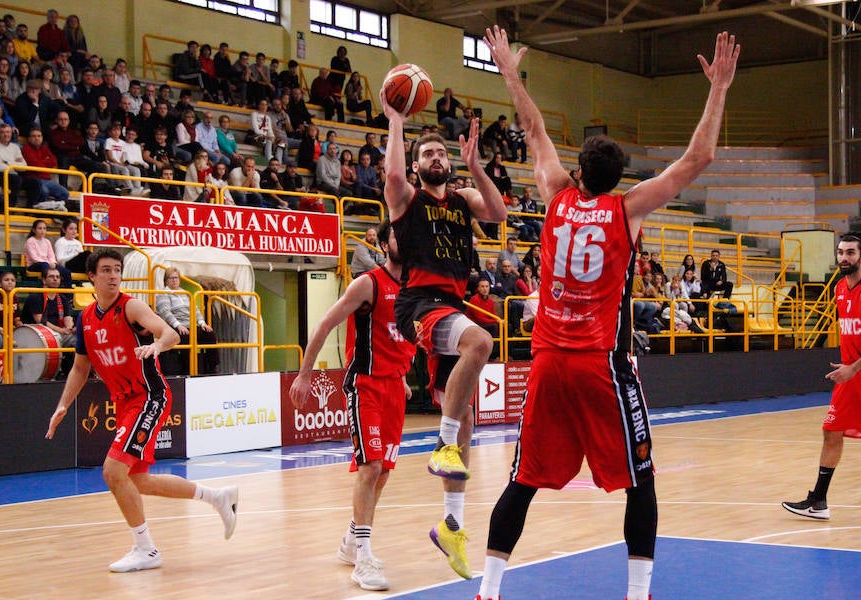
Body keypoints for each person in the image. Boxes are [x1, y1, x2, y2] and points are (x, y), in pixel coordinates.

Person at [476, 26, 740, 600]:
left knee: (522, 479)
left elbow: (533, 127)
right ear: (621, 178)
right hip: (602, 363)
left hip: (545, 361)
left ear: (577, 170)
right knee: (641, 480)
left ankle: (489, 590)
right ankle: (638, 592)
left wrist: (508, 73)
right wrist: (718, 87)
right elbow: (700, 158)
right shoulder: (629, 210)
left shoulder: (554, 192)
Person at [382, 79, 507, 580]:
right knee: (482, 339)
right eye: (426, 152)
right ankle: (443, 442)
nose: (436, 156)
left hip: (449, 307)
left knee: (467, 416)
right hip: (419, 304)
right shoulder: (406, 199)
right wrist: (395, 119)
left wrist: (476, 164)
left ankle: (452, 526)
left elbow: (498, 214)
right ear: (416, 165)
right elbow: (391, 170)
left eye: (440, 151)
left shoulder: (461, 199)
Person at [45, 250, 237, 571]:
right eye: (105, 270)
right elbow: (80, 369)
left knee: (112, 471)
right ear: (91, 277)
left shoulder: (131, 306)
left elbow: (171, 333)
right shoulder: (86, 318)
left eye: (117, 270)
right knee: (138, 480)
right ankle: (218, 497)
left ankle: (146, 549)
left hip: (150, 396)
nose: (113, 275)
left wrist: (156, 345)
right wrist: (63, 405)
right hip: (124, 402)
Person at [288, 221, 413, 591]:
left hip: (393, 387)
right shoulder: (368, 283)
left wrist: (403, 376)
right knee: (370, 466)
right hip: (365, 386)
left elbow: (399, 337)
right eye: (396, 234)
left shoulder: (415, 289)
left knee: (383, 472)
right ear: (386, 241)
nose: (403, 240)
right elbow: (325, 324)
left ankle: (350, 541)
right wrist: (305, 373)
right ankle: (363, 558)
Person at [781, 232, 861, 528]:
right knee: (831, 430)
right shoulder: (840, 287)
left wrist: (853, 368)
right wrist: (850, 369)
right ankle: (818, 500)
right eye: (840, 252)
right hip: (850, 373)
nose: (844, 258)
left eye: (851, 252)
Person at [155, 265, 219, 376]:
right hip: (175, 326)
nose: (174, 280)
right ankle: (188, 370)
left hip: (190, 325)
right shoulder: (163, 293)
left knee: (209, 335)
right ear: (166, 281)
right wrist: (178, 325)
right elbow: (165, 312)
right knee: (185, 336)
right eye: (171, 278)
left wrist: (202, 323)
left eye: (176, 278)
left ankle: (212, 368)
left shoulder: (185, 293)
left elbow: (195, 309)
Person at [22, 266, 75, 378]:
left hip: (57, 334)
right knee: (66, 339)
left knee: (78, 340)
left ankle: (71, 374)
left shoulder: (63, 299)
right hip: (36, 335)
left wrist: (69, 328)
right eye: (51, 277)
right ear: (44, 280)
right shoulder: (35, 297)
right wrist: (62, 330)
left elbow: (67, 317)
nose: (55, 279)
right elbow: (40, 321)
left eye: (57, 277)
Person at [24, 219, 72, 288]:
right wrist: (48, 263)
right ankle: (46, 286)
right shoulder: (30, 241)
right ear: (34, 230)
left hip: (47, 264)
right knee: (45, 266)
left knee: (66, 272)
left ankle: (68, 294)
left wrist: (53, 263)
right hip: (34, 265)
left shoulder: (47, 241)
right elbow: (34, 258)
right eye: (40, 228)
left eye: (44, 228)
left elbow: (51, 255)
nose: (42, 230)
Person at [0, 270, 20, 349]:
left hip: (8, 330)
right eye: (6, 280)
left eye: (13, 280)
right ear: (0, 284)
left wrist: (22, 327)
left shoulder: (15, 297)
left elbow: (16, 319)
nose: (10, 282)